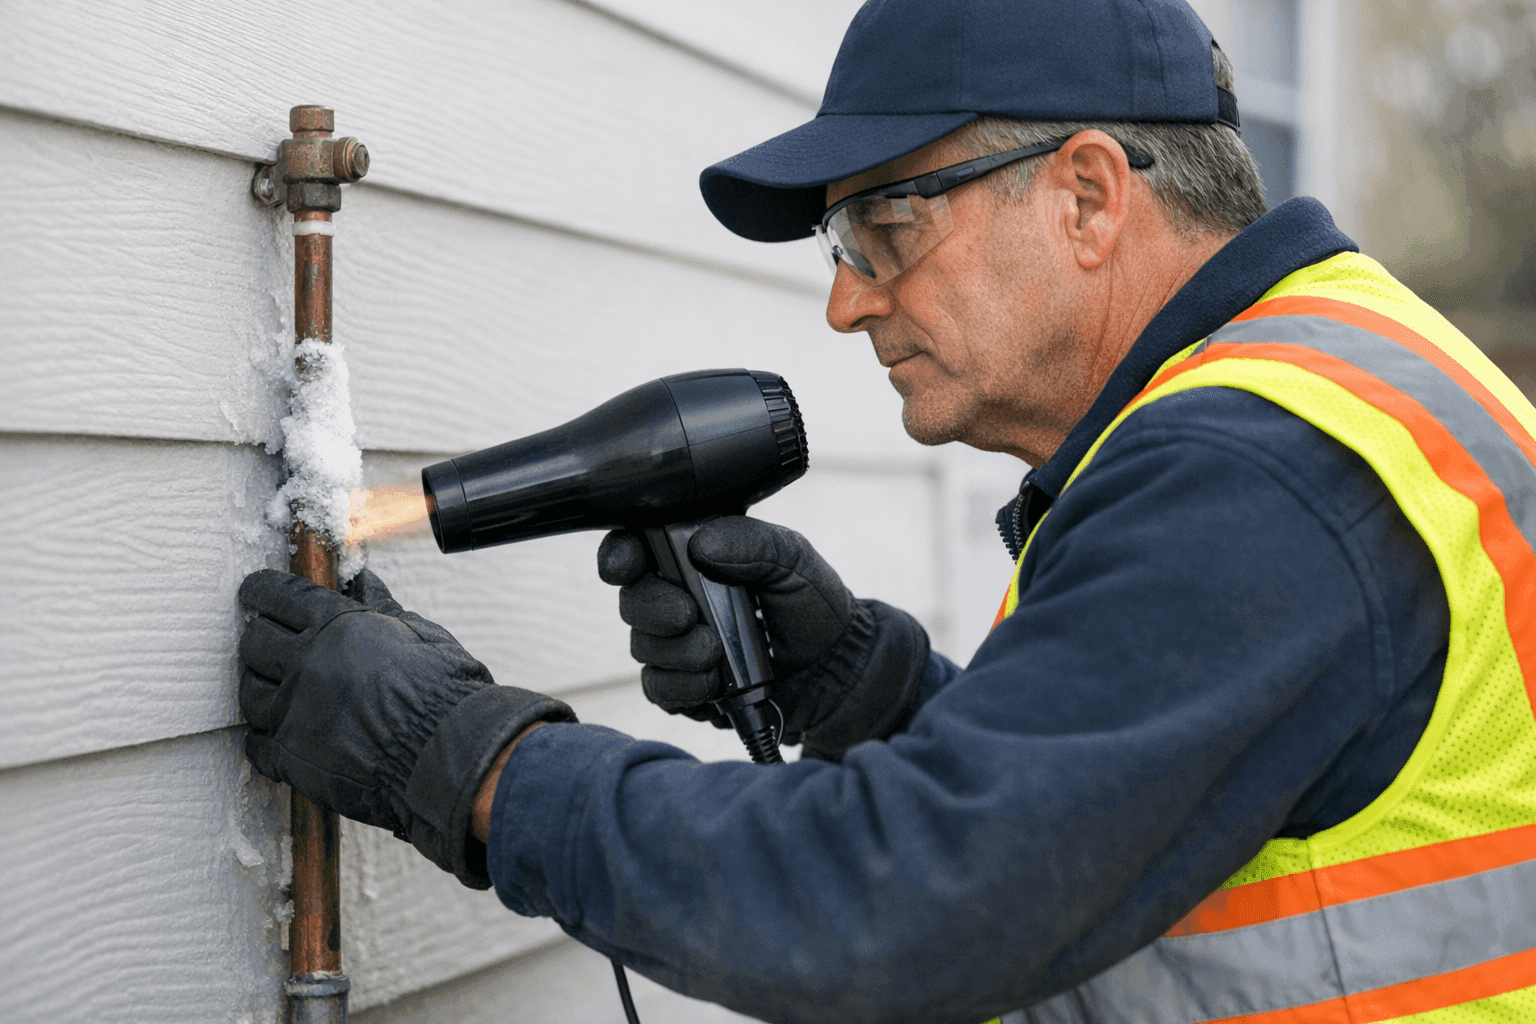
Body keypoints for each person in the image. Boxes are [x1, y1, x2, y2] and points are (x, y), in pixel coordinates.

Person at [235, 1, 1536, 1021]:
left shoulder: (1256, 468)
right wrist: (872, 689)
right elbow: (1164, 825)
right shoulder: (1329, 389)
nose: (847, 303)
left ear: (1087, 194)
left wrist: (463, 762)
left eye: (883, 232)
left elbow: (907, 908)